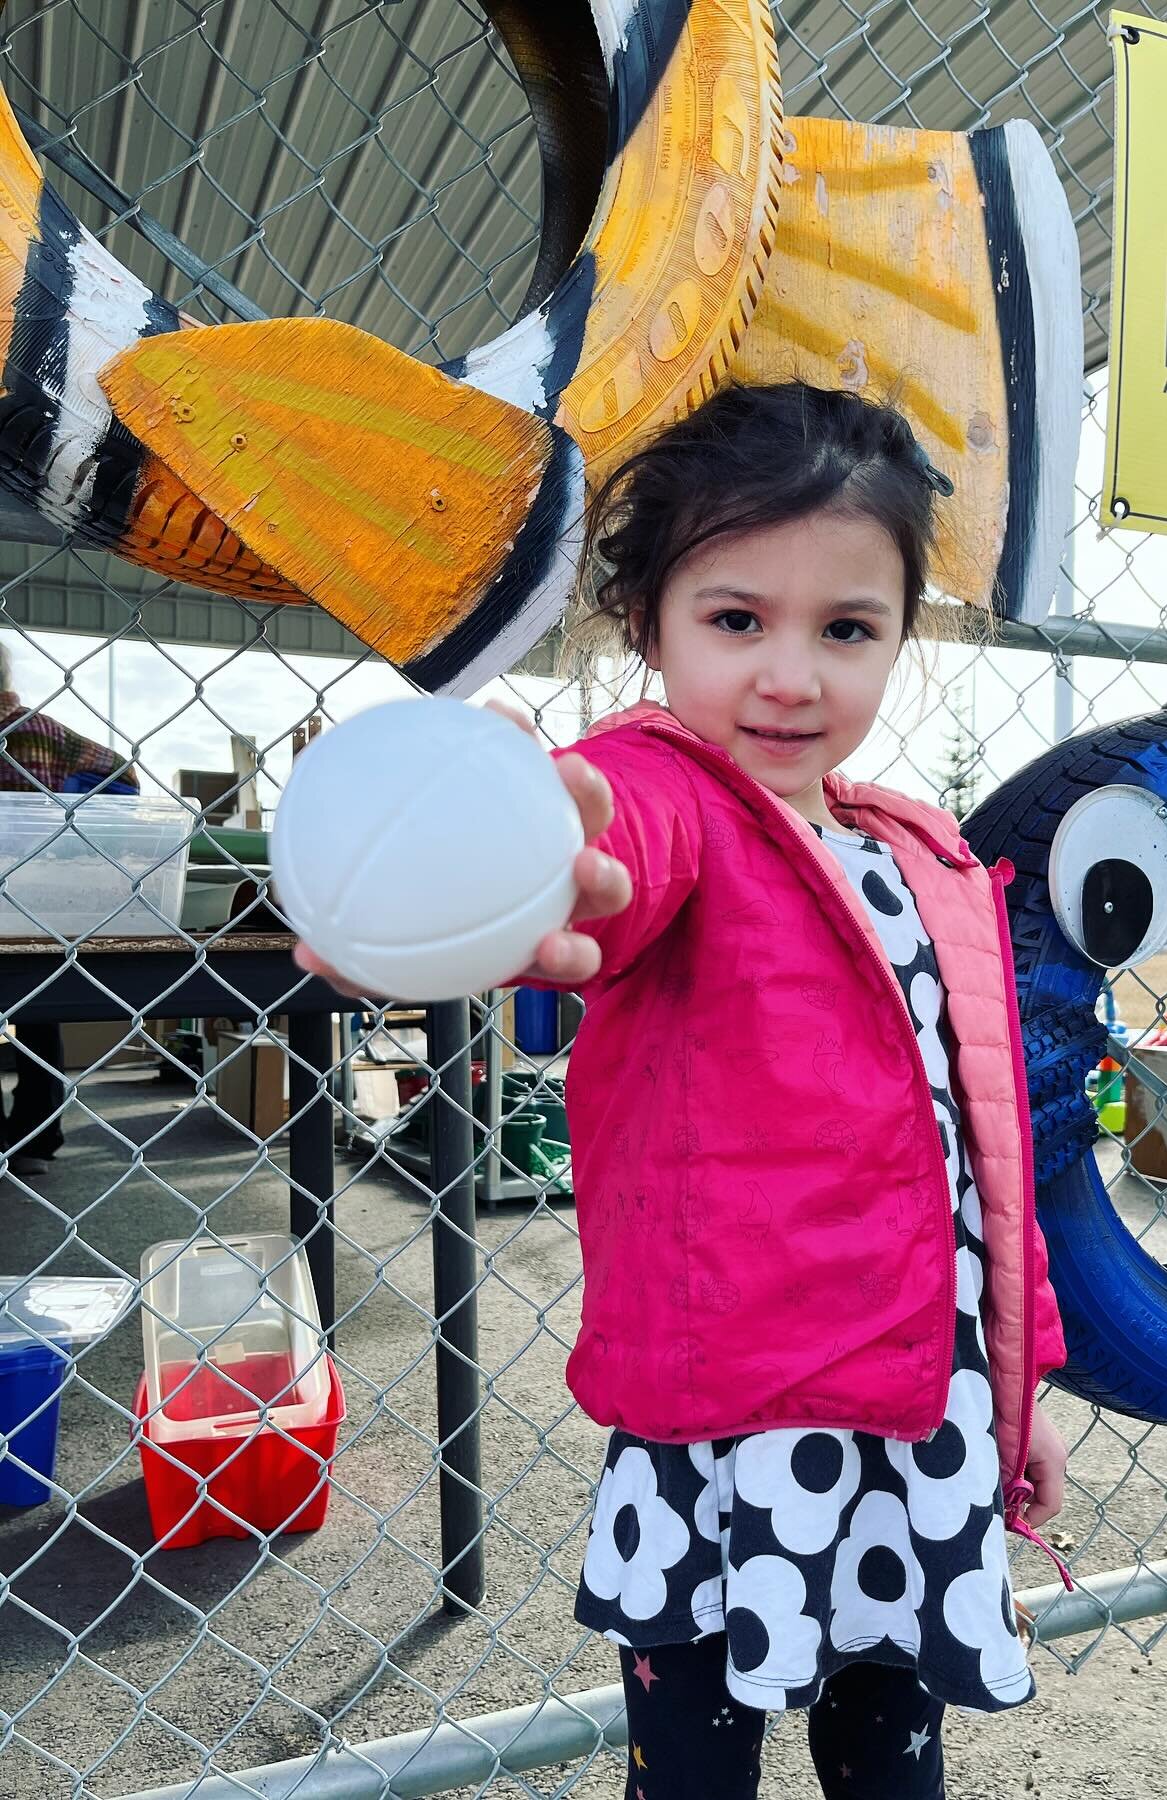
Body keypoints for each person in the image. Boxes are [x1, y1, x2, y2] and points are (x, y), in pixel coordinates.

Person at [297, 382, 1071, 1798]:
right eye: (736, 620)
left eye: (847, 628)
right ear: (646, 625)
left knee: (896, 1765)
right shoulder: (662, 797)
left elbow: (977, 1150)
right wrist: (519, 863)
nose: (791, 674)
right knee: (697, 1773)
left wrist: (1018, 1389)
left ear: (903, 636)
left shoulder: (924, 856)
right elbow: (611, 847)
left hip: (916, 1417)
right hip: (732, 1431)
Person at [0, 642, 136, 1175]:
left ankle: (26, 1140)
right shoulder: (42, 729)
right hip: (44, 902)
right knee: (38, 1016)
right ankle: (35, 1138)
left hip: (26, 895)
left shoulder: (26, 732)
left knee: (34, 1015)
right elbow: (121, 773)